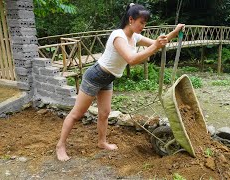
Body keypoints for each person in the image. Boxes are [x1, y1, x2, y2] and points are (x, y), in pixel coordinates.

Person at [56, 3, 185, 161]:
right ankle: (60, 145)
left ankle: (102, 142)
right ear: (131, 19)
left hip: (108, 78)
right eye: (141, 23)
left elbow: (157, 42)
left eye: (145, 23)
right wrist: (155, 46)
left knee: (104, 113)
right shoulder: (118, 36)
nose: (143, 27)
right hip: (95, 76)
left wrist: (176, 31)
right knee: (77, 114)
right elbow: (131, 59)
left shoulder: (135, 37)